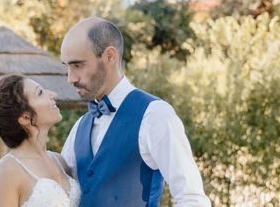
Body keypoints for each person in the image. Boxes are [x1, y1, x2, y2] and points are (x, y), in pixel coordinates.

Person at [60, 17, 211, 207]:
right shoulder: (79, 127)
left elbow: (191, 199)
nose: (70, 78)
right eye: (67, 67)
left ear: (109, 56)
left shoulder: (155, 115)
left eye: (78, 65)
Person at [0, 74, 81, 207]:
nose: (52, 94)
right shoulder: (9, 169)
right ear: (25, 117)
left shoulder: (60, 161)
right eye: (40, 93)